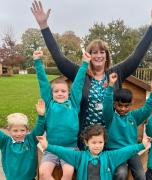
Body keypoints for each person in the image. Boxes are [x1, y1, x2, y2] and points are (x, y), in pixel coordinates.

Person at [31, 1, 152, 134]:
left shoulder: (116, 73)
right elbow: (59, 57)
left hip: (109, 137)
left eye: (102, 52)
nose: (98, 56)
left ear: (106, 56)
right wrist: (43, 25)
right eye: (94, 52)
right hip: (84, 137)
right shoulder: (80, 73)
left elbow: (136, 56)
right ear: (88, 55)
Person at [33, 50, 91, 180]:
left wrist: (85, 64)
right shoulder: (49, 104)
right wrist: (37, 62)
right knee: (43, 173)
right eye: (56, 91)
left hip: (69, 149)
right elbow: (43, 82)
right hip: (51, 148)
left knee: (68, 173)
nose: (60, 93)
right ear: (52, 93)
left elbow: (78, 83)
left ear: (68, 93)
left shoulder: (73, 103)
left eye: (63, 91)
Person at [37, 124, 152, 180]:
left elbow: (125, 151)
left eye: (100, 142)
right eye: (94, 143)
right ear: (87, 143)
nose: (97, 146)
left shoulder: (109, 157)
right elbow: (62, 151)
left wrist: (141, 145)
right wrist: (48, 146)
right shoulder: (79, 156)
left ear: (104, 142)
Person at [102, 73, 152, 179]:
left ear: (131, 104)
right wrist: (110, 86)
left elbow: (146, 110)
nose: (123, 109)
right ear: (114, 104)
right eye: (120, 105)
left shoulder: (133, 116)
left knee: (141, 175)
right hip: (115, 151)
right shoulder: (110, 117)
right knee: (121, 173)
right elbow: (106, 104)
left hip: (132, 150)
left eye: (126, 106)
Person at [0, 99, 45, 180]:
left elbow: (39, 129)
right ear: (9, 130)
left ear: (27, 130)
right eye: (15, 130)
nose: (19, 133)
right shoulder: (5, 142)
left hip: (30, 178)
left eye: (22, 130)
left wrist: (41, 116)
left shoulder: (31, 139)